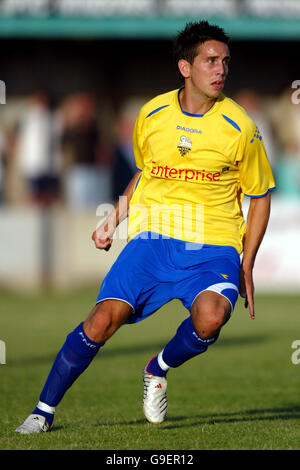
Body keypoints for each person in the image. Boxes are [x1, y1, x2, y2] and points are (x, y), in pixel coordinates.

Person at [15, 21, 275, 433]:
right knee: (101, 320)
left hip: (213, 246)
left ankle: (157, 368)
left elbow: (260, 195)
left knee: (210, 318)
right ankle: (41, 413)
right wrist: (113, 219)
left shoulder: (240, 126)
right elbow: (145, 174)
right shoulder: (152, 114)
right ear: (185, 68)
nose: (220, 69)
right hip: (153, 240)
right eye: (210, 60)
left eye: (225, 61)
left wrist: (247, 263)